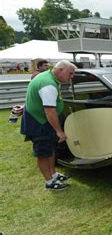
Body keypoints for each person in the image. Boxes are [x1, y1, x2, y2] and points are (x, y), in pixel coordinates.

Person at [20, 60, 77, 191]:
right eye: (71, 73)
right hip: (40, 123)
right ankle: (49, 182)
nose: (72, 76)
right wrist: (59, 131)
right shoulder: (48, 84)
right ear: (60, 70)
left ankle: (53, 174)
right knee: (43, 153)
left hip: (41, 121)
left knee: (50, 149)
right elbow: (49, 110)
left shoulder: (48, 77)